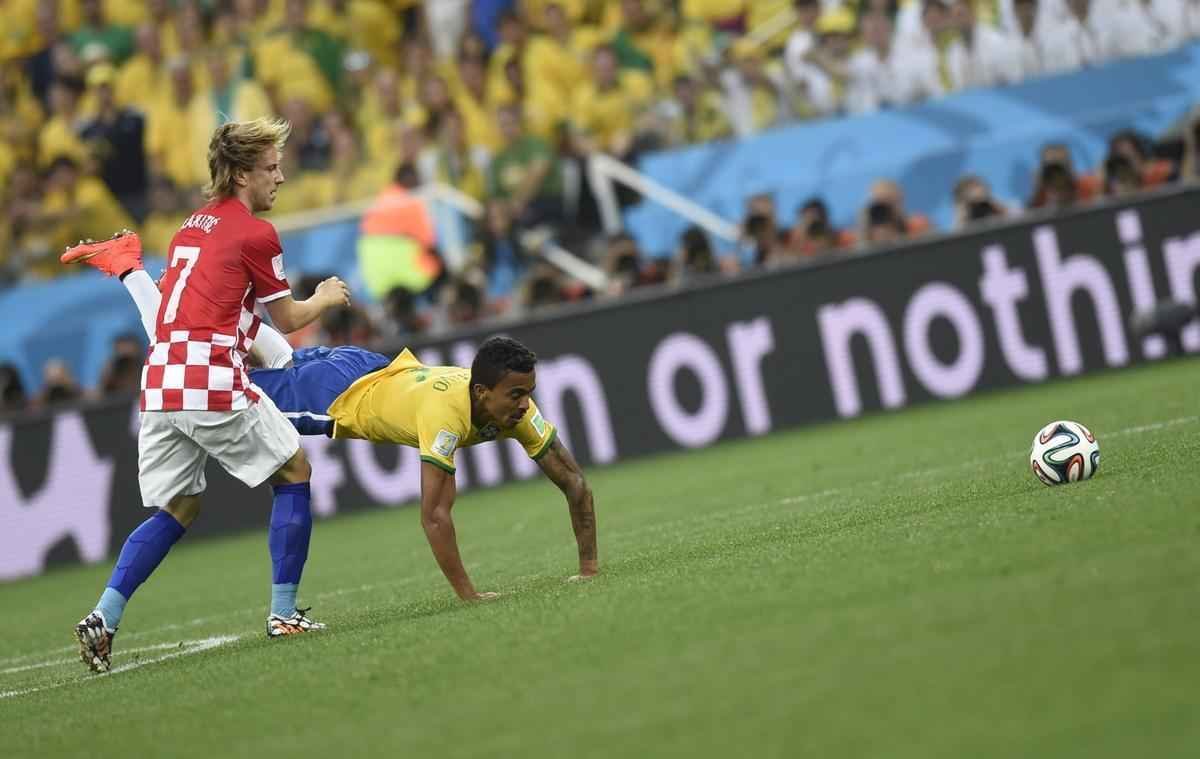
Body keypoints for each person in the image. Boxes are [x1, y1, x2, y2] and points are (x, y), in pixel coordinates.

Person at [80, 245, 600, 604]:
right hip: (337, 395)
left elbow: (574, 482)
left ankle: (168, 285)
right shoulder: (448, 416)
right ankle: (135, 274)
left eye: (527, 394)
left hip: (369, 364)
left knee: (267, 356)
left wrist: (589, 570)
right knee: (202, 372)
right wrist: (470, 595)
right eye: (516, 396)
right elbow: (435, 516)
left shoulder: (512, 406)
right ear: (483, 391)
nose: (525, 405)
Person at [60, 117, 351, 672]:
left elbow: (192, 304)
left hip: (160, 382)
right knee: (294, 471)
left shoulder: (190, 227)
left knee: (181, 506)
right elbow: (288, 319)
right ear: (242, 173)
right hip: (208, 378)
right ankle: (284, 614)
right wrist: (326, 297)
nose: (281, 178)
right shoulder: (255, 233)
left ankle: (104, 617)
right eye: (271, 168)